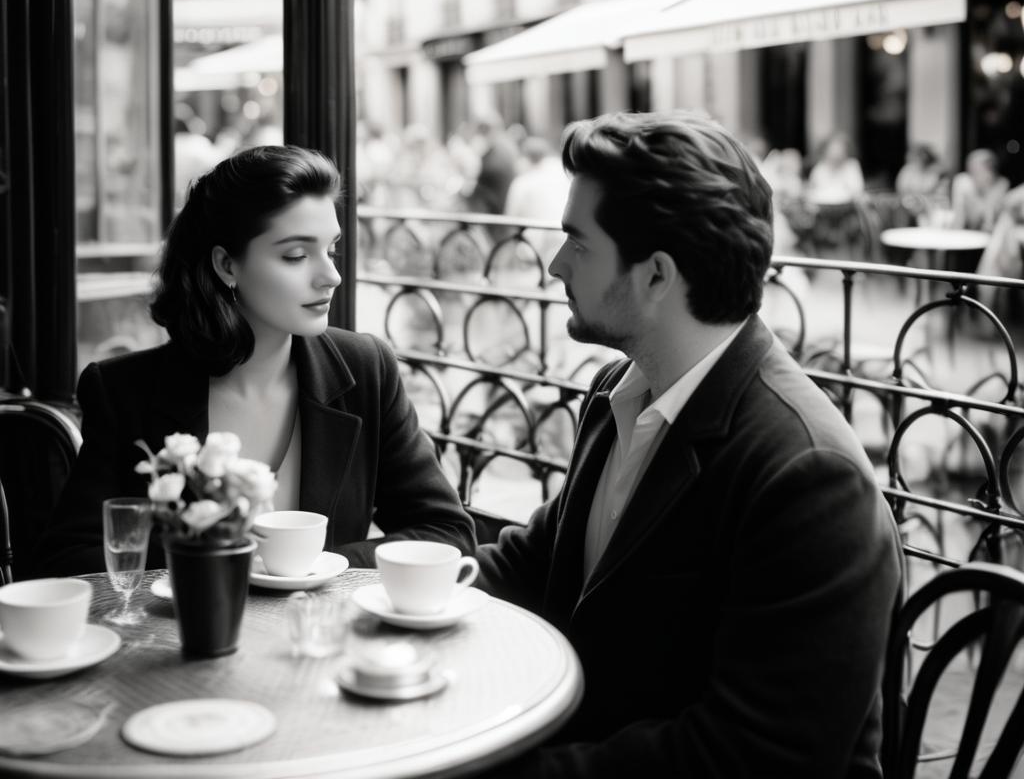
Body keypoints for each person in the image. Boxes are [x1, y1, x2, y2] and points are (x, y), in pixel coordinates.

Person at [474, 111, 904, 778]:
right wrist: (365, 588)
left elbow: (754, 758)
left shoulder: (810, 477)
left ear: (655, 276)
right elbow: (534, 564)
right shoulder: (620, 390)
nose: (554, 265)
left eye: (577, 243)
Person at [32, 145, 475, 576]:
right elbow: (70, 560)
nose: (331, 275)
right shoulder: (125, 391)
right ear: (227, 265)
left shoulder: (366, 370)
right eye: (296, 255)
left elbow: (446, 532)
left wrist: (316, 567)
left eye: (332, 249)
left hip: (321, 643)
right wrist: (223, 573)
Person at [951, 147, 1010, 232]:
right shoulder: (962, 181)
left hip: (990, 234)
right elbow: (959, 220)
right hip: (966, 233)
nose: (972, 174)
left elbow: (989, 224)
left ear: (991, 170)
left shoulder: (1001, 184)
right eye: (971, 170)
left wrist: (987, 188)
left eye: (976, 170)